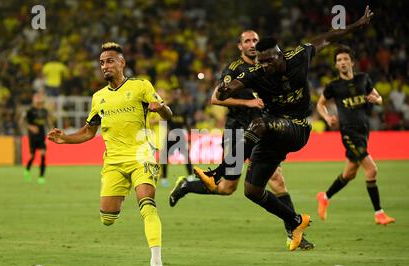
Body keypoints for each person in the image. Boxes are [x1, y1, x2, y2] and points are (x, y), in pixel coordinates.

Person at [216, 6, 374, 251]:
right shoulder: (257, 72)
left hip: (297, 127)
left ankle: (220, 170)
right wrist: (225, 88)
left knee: (258, 123)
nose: (266, 65)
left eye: (270, 60)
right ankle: (295, 221)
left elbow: (329, 37)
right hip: (271, 131)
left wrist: (357, 25)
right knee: (252, 191)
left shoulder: (299, 55)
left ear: (281, 54)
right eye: (262, 62)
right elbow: (228, 89)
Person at [169, 30, 314, 250]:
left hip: (264, 127)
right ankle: (189, 184)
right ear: (240, 46)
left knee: (277, 179)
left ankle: (294, 231)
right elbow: (215, 99)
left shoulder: (267, 65)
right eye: (247, 41)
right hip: (237, 129)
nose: (252, 44)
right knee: (228, 188)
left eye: (255, 40)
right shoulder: (235, 69)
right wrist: (248, 104)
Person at [48, 42, 173, 266]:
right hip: (113, 161)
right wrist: (65, 139)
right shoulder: (98, 97)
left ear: (122, 63)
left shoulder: (141, 86)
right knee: (107, 218)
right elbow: (88, 131)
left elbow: (168, 113)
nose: (105, 66)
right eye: (102, 63)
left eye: (110, 61)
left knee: (147, 204)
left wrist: (160, 108)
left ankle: (156, 260)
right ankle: (122, 189)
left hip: (141, 156)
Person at [315, 45, 395, 225]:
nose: (342, 63)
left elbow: (379, 98)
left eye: (345, 59)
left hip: (364, 131)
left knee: (349, 174)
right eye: (339, 60)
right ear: (336, 65)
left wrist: (377, 100)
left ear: (352, 61)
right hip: (349, 133)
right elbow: (320, 104)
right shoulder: (333, 86)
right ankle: (379, 214)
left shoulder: (363, 79)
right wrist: (327, 117)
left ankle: (324, 196)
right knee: (371, 169)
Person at [159, 88, 195, 187]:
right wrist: (167, 133)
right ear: (171, 95)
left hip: (180, 135)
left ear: (180, 95)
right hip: (170, 135)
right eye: (174, 94)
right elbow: (164, 122)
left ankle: (191, 176)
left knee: (186, 156)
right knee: (164, 157)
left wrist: (189, 138)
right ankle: (164, 178)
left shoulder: (185, 108)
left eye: (178, 94)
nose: (176, 96)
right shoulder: (168, 107)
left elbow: (187, 123)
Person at [24, 92, 53, 184]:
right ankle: (27, 170)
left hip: (41, 135)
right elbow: (23, 123)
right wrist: (31, 127)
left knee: (43, 155)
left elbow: (48, 121)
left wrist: (52, 130)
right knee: (32, 156)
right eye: (37, 98)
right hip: (32, 137)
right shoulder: (30, 111)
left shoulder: (45, 111)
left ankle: (41, 177)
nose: (39, 100)